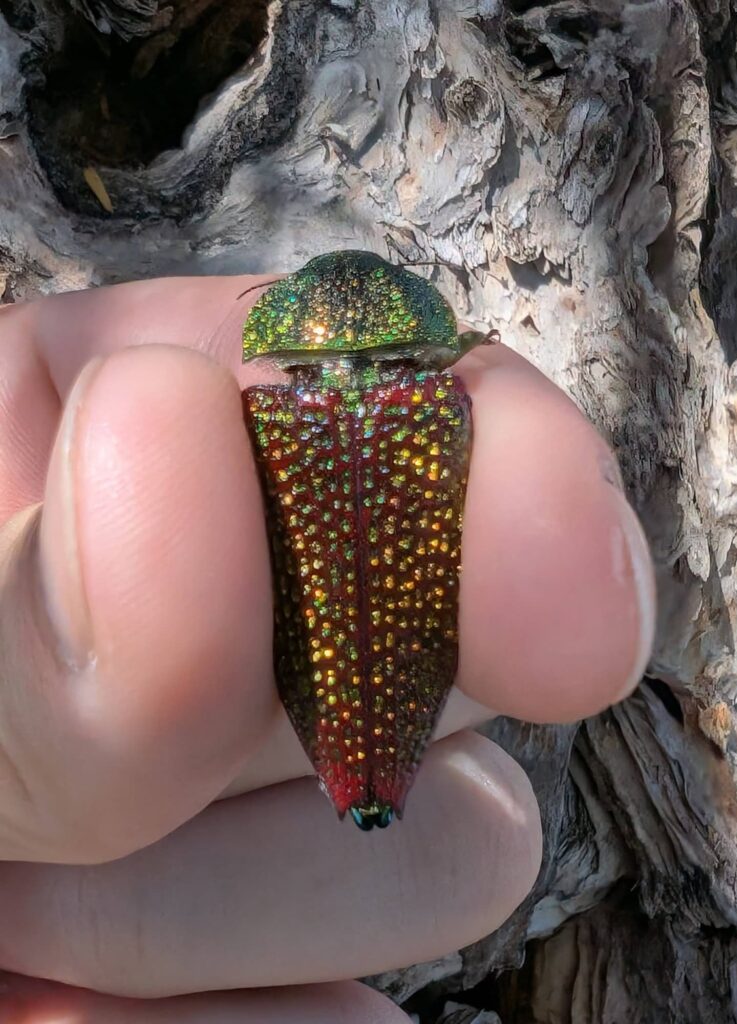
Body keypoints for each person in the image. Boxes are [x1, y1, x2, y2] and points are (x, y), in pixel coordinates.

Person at [0, 274, 655, 1022]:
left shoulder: (268, 414)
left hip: (318, 695)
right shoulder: (437, 405)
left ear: (283, 336)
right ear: (418, 330)